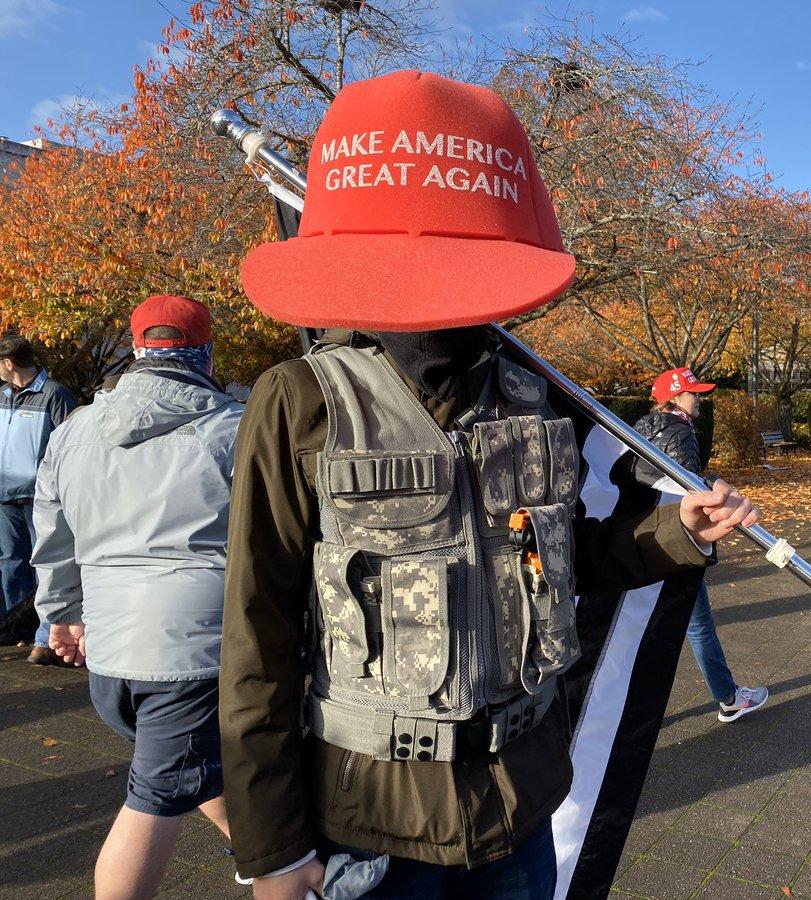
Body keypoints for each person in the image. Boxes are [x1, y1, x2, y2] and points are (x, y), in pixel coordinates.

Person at [220, 71, 760, 900]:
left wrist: (675, 530)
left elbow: (563, 555)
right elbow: (256, 630)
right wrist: (271, 850)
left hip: (520, 807)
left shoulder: (533, 394)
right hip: (370, 826)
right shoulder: (300, 403)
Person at [32, 295, 243, 899]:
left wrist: (62, 617)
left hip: (111, 648)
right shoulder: (234, 429)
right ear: (205, 350)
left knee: (187, 767)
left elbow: (52, 536)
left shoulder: (74, 431)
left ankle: (255, 850)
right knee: (155, 796)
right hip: (194, 650)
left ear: (135, 349)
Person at [634, 366, 769, 722]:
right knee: (698, 625)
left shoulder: (642, 428)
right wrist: (711, 486)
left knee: (644, 624)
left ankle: (628, 708)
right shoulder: (679, 432)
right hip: (678, 539)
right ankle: (728, 698)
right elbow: (686, 487)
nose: (700, 401)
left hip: (646, 535)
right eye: (694, 394)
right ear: (675, 398)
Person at [0, 335, 76, 658]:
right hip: (5, 498)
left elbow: (70, 445)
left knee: (47, 567)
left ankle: (45, 637)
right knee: (10, 566)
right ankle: (13, 631)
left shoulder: (54, 394)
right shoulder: (3, 395)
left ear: (8, 363)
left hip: (40, 499)